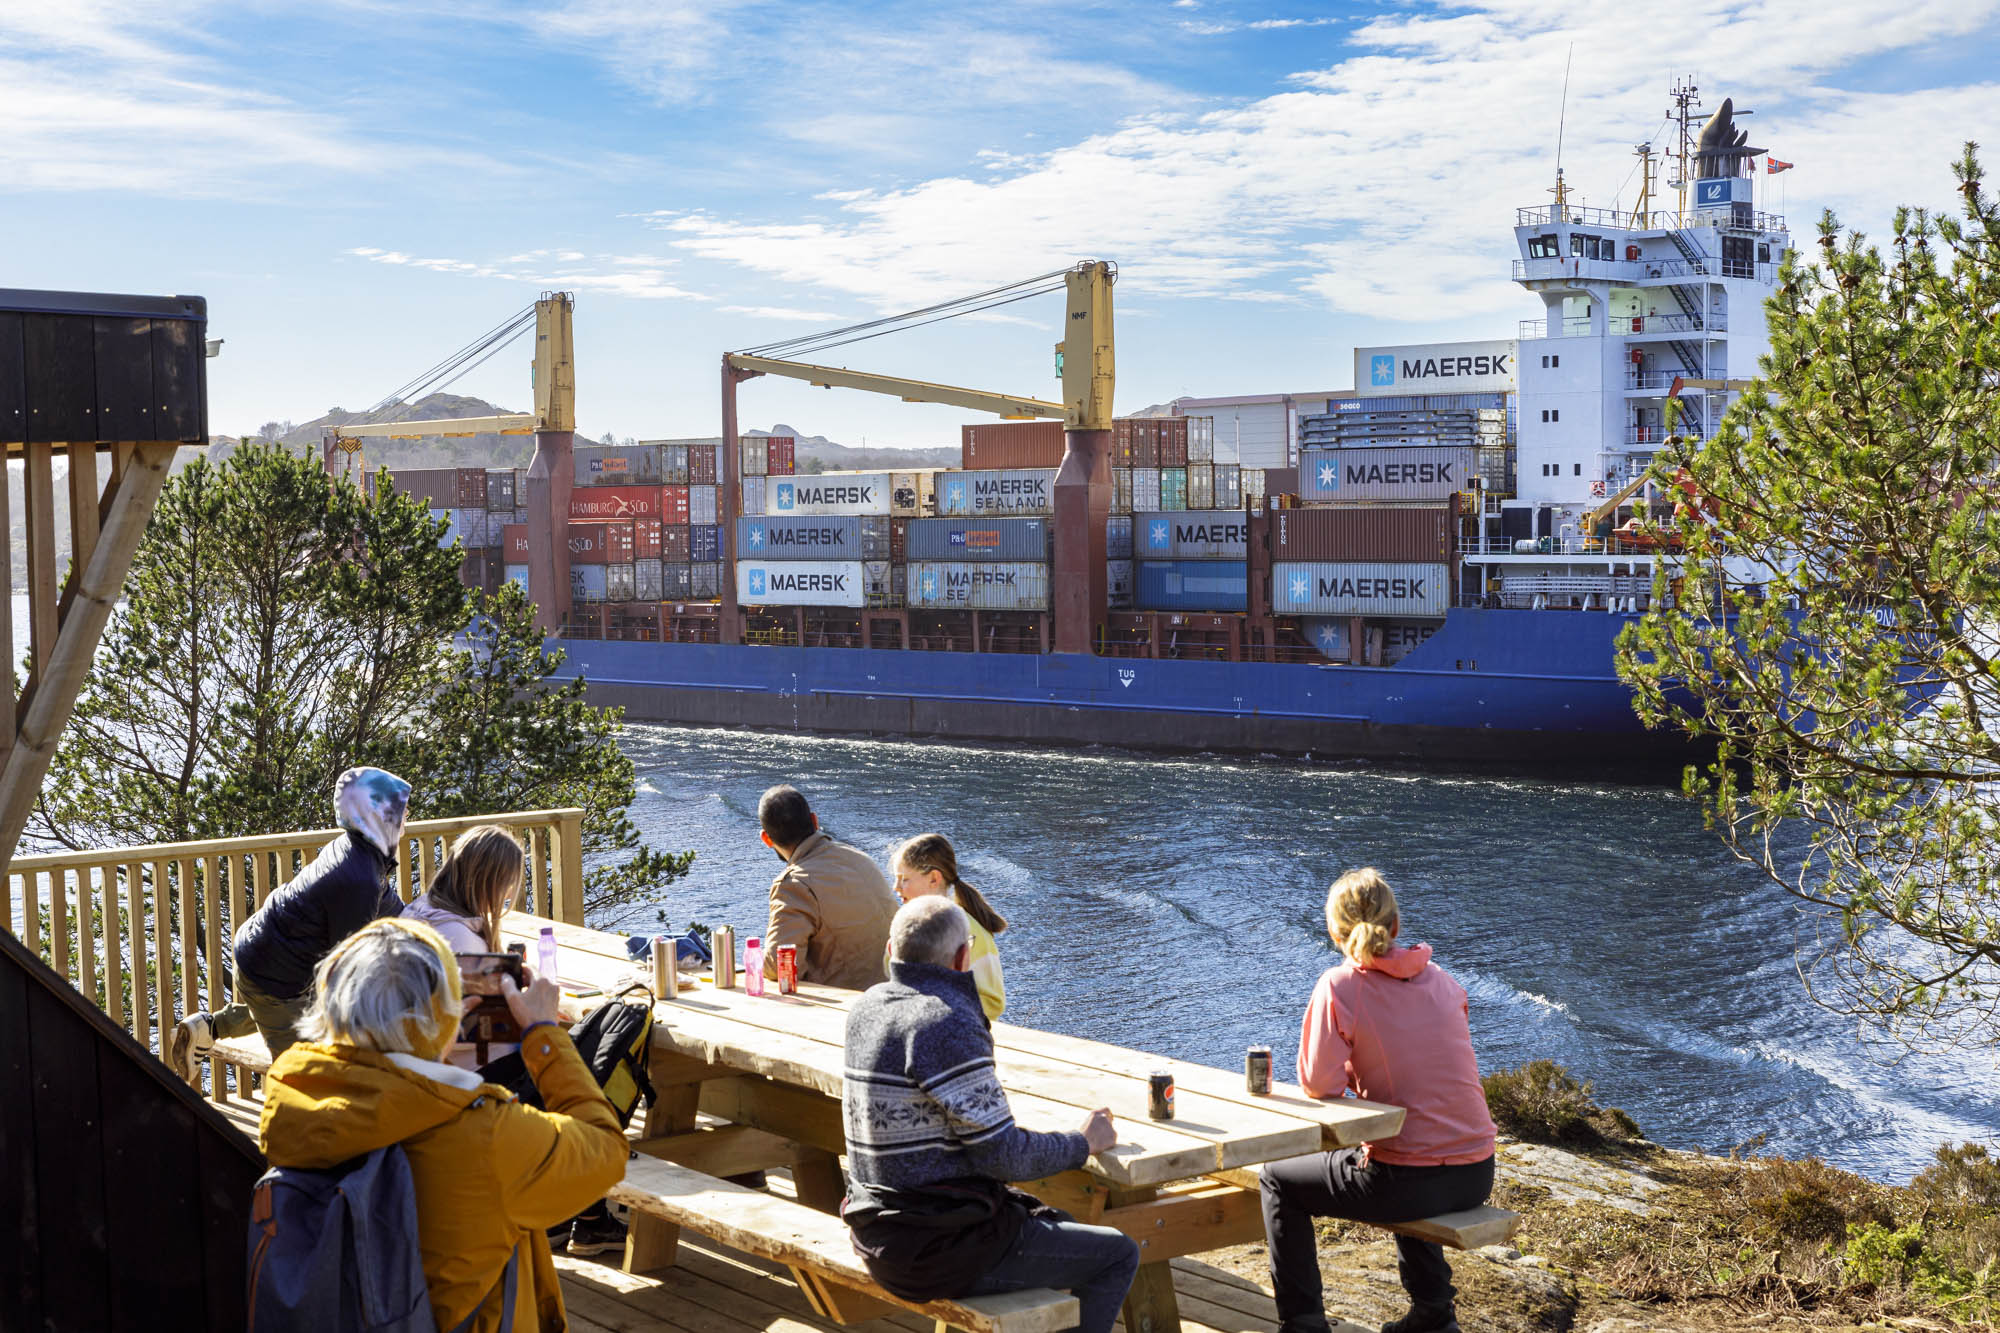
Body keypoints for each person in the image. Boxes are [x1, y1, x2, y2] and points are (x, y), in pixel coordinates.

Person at [259, 917, 628, 1332]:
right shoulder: (488, 1137)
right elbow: (607, 1148)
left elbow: (389, 1089)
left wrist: (436, 1050)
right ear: (444, 1014)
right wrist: (544, 1035)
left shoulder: (294, 1103)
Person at [840, 896, 1139, 1333]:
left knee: (1066, 1229)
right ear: (964, 957)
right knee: (1117, 1254)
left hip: (877, 1234)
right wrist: (1083, 1143)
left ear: (891, 950)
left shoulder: (868, 1007)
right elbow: (1004, 1158)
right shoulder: (945, 1022)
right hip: (937, 1248)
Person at [1258, 869, 1497, 1333]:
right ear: (1396, 925)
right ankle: (1432, 1312)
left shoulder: (1341, 985)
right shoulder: (1444, 980)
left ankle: (1303, 1323)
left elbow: (1318, 1084)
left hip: (1408, 1180)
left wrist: (1353, 1069)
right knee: (1405, 1147)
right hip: (1477, 1172)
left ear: (1334, 931)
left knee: (1277, 1179)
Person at [402, 823, 629, 1259]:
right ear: (492, 881)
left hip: (433, 1073)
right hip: (477, 1078)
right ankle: (578, 1215)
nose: (508, 896)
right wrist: (535, 1020)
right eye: (508, 887)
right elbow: (467, 1026)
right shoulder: (462, 941)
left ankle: (585, 1217)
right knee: (592, 1065)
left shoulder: (419, 914)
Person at [169, 766, 412, 1080]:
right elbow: (349, 973)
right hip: (273, 973)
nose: (407, 816)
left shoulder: (361, 854)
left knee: (285, 1010)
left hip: (270, 956)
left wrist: (432, 927)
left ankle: (206, 1028)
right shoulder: (359, 877)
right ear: (378, 815)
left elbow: (392, 908)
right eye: (400, 809)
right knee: (306, 1078)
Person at [757, 784, 899, 990]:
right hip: (893, 992)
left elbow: (780, 967)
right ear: (814, 821)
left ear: (766, 839)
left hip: (843, 1007)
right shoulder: (860, 858)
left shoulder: (794, 885)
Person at [891, 833, 1008, 1019]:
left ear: (933, 879)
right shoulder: (907, 925)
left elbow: (993, 1002)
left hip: (959, 1031)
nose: (895, 887)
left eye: (904, 878)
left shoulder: (965, 929)